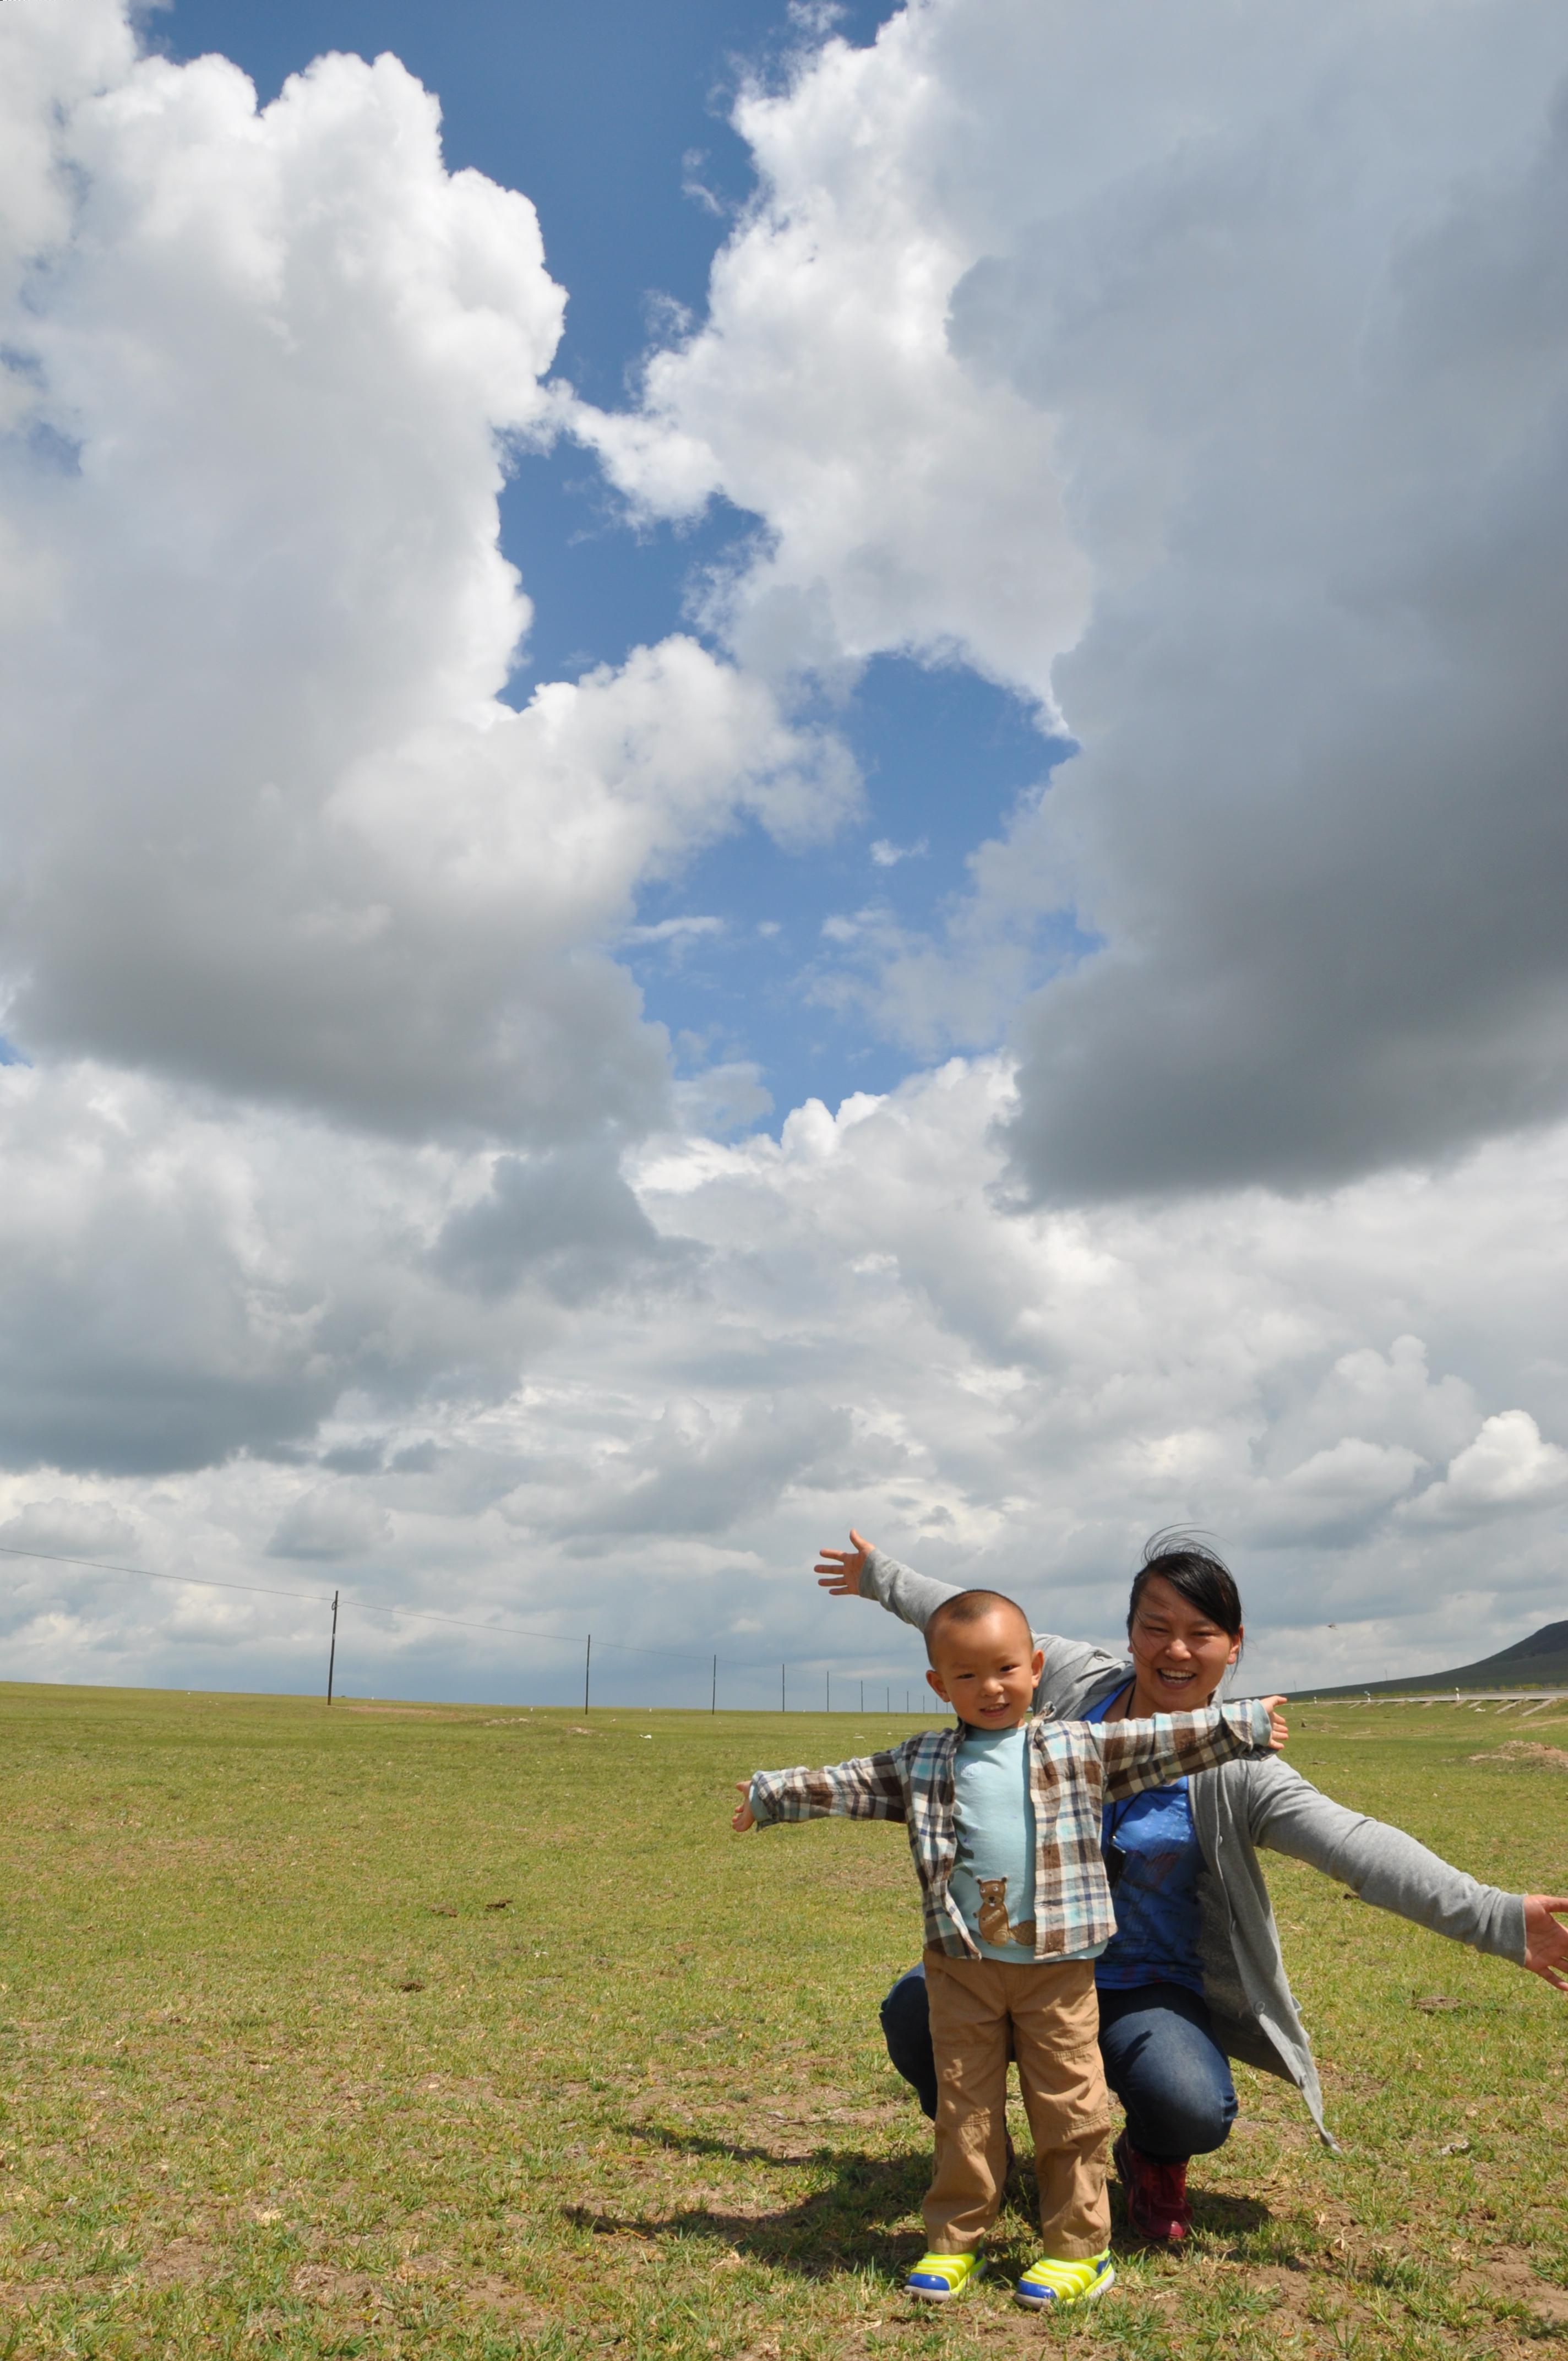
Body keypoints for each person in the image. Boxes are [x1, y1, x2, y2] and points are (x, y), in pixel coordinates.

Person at [818, 1528, 1568, 2245]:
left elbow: (1357, 1846)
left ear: (1233, 1647)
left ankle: (1150, 2155)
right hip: (1016, 1963)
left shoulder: (1241, 1769)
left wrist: (1499, 1918)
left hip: (1144, 1985)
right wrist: (880, 1576)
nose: (1176, 1650)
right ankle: (984, 2148)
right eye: (1156, 1627)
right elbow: (972, 1620)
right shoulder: (1079, 1681)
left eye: (1202, 1632)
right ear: (1131, 1633)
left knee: (1191, 2106)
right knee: (915, 2008)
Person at [732, 1584, 1288, 2308]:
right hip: (964, 1967)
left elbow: (1155, 1744)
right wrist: (772, 1795)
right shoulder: (923, 1761)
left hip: (1055, 1970)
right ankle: (956, 2238)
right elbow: (849, 1783)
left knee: (1069, 2106)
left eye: (1004, 1670)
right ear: (939, 1685)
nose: (989, 1688)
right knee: (965, 2106)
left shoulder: (1075, 1745)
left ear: (1033, 1667)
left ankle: (1078, 2249)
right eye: (966, 1676)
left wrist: (1242, 1725)